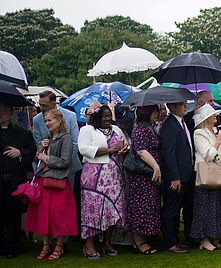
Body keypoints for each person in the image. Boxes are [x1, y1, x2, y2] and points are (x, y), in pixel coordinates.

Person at [25, 109, 77, 260]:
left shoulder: (66, 138)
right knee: (43, 216)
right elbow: (38, 160)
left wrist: (46, 158)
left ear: (60, 121)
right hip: (44, 181)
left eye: (50, 120)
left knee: (58, 216)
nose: (47, 123)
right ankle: (46, 246)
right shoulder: (48, 138)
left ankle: (59, 246)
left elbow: (65, 161)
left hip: (58, 182)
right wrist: (40, 149)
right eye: (46, 121)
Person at [78, 104, 127, 259]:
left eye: (108, 116)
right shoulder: (87, 130)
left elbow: (125, 144)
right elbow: (84, 149)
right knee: (92, 210)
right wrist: (110, 150)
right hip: (93, 178)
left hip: (114, 177)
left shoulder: (116, 130)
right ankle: (89, 245)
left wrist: (123, 150)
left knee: (112, 209)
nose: (107, 119)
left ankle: (107, 242)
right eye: (103, 116)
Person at [0, 103, 36, 258]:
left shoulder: (22, 133)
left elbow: (32, 150)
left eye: (4, 112)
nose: (2, 115)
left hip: (15, 179)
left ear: (10, 114)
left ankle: (13, 246)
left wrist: (20, 152)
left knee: (13, 213)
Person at [126, 105, 162, 255]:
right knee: (141, 205)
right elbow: (141, 151)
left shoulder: (150, 128)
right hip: (142, 176)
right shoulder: (140, 129)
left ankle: (146, 235)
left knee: (150, 205)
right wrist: (156, 167)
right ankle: (138, 240)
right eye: (154, 111)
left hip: (149, 176)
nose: (157, 114)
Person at [191, 104, 221, 251]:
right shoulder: (199, 133)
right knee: (204, 206)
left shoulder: (216, 131)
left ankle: (213, 235)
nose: (215, 116)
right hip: (206, 174)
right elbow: (208, 154)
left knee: (217, 206)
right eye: (212, 114)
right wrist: (218, 142)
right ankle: (204, 239)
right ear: (205, 118)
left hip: (217, 173)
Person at [160, 101, 194, 254]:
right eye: (182, 104)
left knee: (178, 208)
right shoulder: (169, 126)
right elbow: (169, 153)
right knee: (171, 209)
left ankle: (176, 239)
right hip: (175, 176)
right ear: (172, 107)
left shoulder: (181, 122)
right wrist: (174, 177)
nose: (185, 106)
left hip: (186, 173)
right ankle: (170, 242)